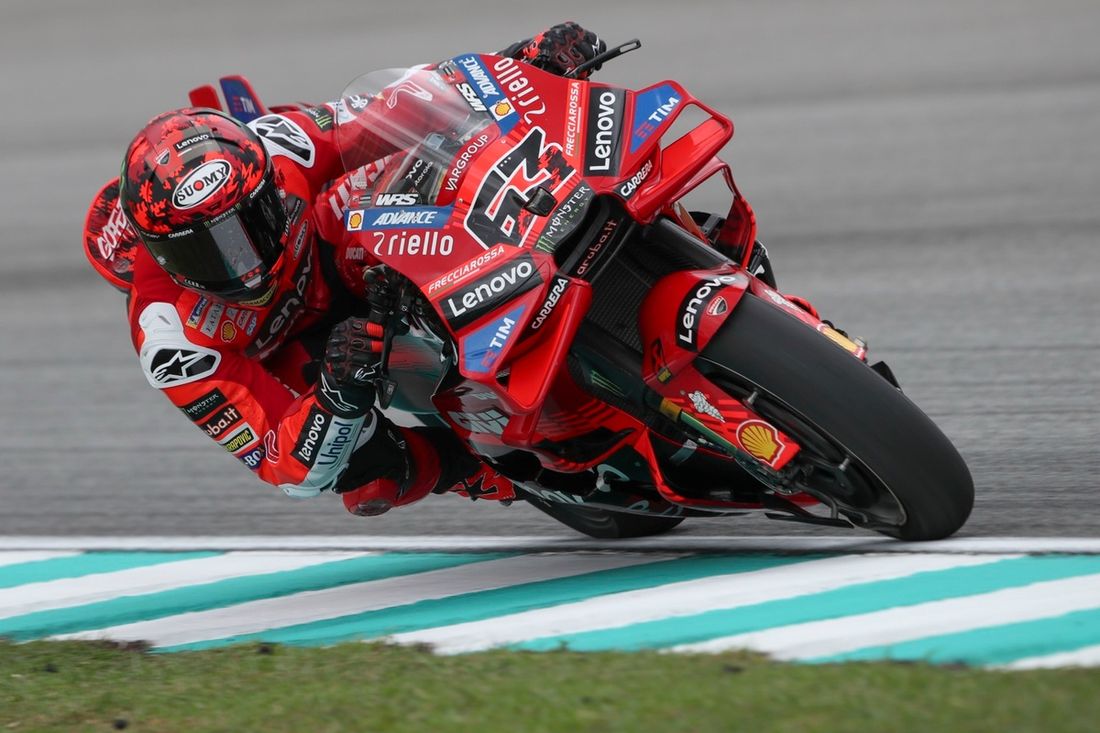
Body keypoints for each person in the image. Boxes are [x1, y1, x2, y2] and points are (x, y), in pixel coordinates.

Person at [82, 23, 606, 517]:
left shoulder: (279, 144)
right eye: (207, 253)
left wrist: (519, 67)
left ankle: (565, 236)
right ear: (161, 256)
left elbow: (400, 106)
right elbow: (279, 464)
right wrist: (335, 394)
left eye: (249, 227)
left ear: (266, 188)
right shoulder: (170, 338)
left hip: (332, 248)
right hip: (304, 351)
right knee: (365, 479)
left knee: (423, 164)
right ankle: (490, 469)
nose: (242, 267)